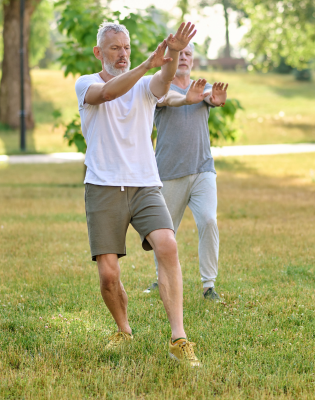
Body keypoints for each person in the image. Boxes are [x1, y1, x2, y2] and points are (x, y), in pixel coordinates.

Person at [74, 22, 202, 365]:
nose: (123, 53)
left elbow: (165, 79)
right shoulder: (85, 83)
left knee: (168, 244)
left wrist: (172, 53)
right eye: (115, 48)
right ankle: (124, 329)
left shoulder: (146, 86)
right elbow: (107, 94)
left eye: (126, 47)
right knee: (108, 274)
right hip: (102, 185)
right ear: (99, 53)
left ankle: (179, 337)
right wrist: (147, 63)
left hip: (144, 182)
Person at [142, 43, 228, 302]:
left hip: (203, 169)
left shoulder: (204, 89)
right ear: (171, 59)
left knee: (209, 220)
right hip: (169, 172)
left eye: (188, 55)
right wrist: (189, 98)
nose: (184, 58)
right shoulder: (159, 88)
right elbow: (168, 99)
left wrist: (215, 100)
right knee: (165, 231)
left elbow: (213, 96)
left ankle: (208, 285)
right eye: (180, 54)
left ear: (193, 61)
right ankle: (161, 278)